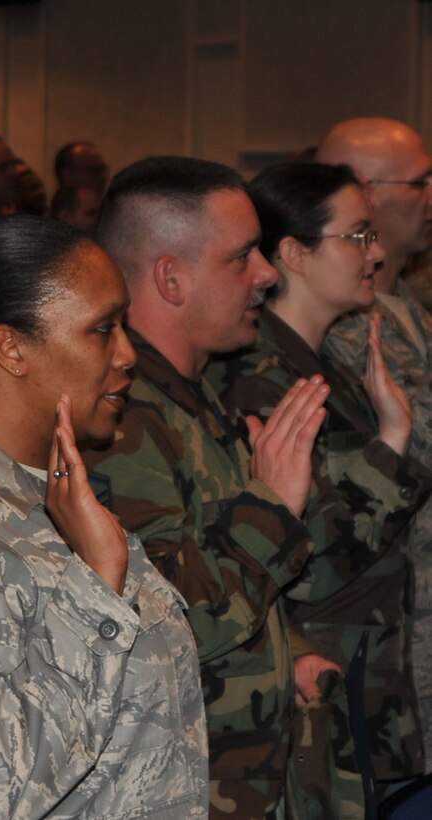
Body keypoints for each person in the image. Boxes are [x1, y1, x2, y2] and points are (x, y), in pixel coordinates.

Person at [0, 215, 208, 818]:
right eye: (102, 329)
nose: (129, 354)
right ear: (11, 348)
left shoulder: (42, 492)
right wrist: (97, 590)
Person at [83, 156, 338, 818]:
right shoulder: (123, 416)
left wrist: (296, 653)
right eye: (241, 257)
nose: (267, 274)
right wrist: (272, 509)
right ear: (171, 277)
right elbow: (162, 619)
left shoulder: (187, 396)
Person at [217, 161, 430, 796]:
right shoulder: (261, 378)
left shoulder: (315, 364)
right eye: (358, 236)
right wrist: (392, 442)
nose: (379, 252)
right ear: (294, 253)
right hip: (322, 684)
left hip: (364, 681)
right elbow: (309, 560)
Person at [318, 118, 432, 768]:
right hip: (387, 636)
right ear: (364, 188)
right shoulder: (343, 331)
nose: (431, 196)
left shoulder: (406, 311)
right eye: (419, 182)